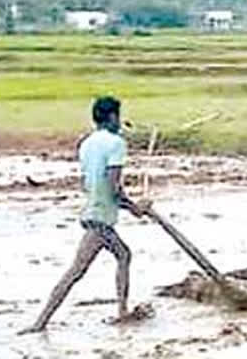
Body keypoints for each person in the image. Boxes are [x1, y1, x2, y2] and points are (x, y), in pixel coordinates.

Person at [19, 96, 150, 334]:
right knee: (79, 270)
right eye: (117, 116)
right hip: (100, 218)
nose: (119, 122)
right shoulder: (116, 143)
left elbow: (90, 182)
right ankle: (41, 322)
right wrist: (135, 208)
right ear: (111, 117)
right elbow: (113, 187)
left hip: (93, 211)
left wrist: (127, 205)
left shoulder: (87, 143)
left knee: (119, 256)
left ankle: (120, 310)